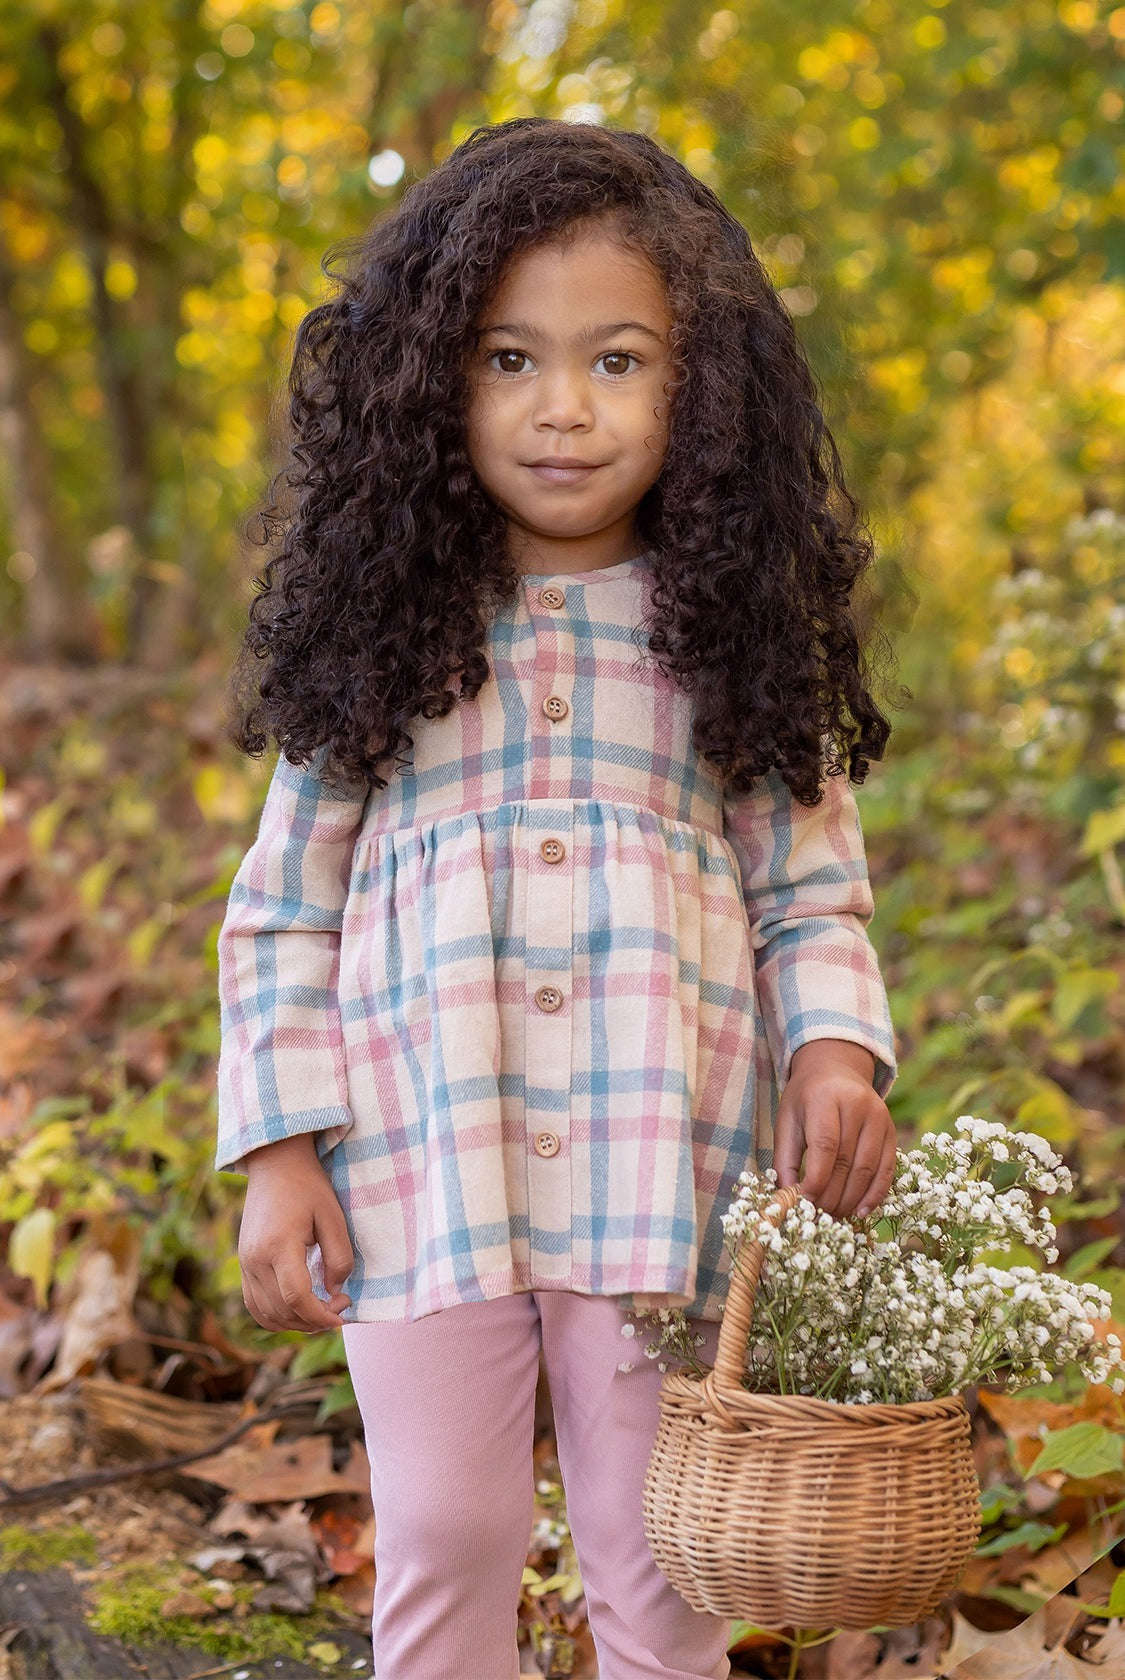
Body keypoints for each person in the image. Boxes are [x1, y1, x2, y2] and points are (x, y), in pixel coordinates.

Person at [215, 116, 899, 1680]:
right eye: (509, 360)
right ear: (432, 381)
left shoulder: (728, 630)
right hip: (415, 1163)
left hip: (666, 1164)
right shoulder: (380, 630)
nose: (563, 412)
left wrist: (833, 1054)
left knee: (660, 1561)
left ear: (699, 388)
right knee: (443, 1540)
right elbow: (280, 908)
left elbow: (809, 890)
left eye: (618, 362)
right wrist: (276, 1146)